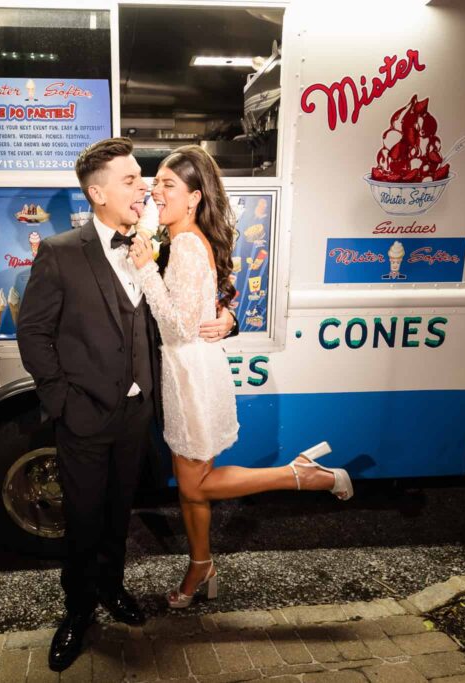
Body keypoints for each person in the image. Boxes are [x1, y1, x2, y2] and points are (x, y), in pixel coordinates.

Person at [16, 137, 236, 672]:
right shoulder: (62, 252)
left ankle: (112, 590)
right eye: (131, 180)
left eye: (144, 178)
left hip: (138, 413)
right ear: (97, 194)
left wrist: (231, 316)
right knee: (85, 520)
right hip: (84, 414)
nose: (143, 188)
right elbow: (34, 333)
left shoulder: (156, 238)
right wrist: (62, 401)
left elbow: (202, 292)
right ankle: (76, 613)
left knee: (118, 514)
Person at [127, 145, 354, 609]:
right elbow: (217, 295)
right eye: (156, 184)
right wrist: (226, 311)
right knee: (192, 487)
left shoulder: (185, 244)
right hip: (185, 370)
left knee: (195, 485)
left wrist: (146, 268)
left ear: (193, 198)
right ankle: (201, 568)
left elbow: (176, 325)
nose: (156, 190)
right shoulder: (178, 238)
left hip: (188, 371)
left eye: (168, 185)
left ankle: (301, 475)